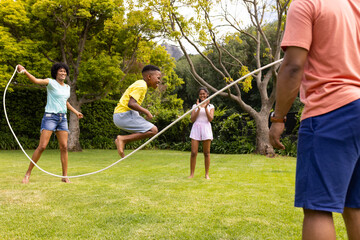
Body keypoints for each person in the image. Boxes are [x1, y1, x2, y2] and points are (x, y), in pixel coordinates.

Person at [269, 0, 360, 239]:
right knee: (356, 204)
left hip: (331, 110)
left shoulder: (307, 3)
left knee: (317, 208)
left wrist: (278, 118)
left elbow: (292, 67)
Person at [17, 63, 83, 184]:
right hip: (50, 117)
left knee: (64, 147)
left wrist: (76, 112)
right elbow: (36, 81)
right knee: (42, 146)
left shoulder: (67, 87)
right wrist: (25, 71)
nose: (63, 73)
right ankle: (27, 174)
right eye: (60, 71)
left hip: (62, 119)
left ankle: (64, 176)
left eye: (64, 71)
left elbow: (65, 102)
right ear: (56, 73)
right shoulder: (51, 83)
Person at [113, 65, 161, 158]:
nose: (159, 81)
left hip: (122, 115)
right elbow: (131, 104)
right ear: (149, 77)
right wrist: (147, 112)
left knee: (152, 130)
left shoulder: (141, 84)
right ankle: (122, 139)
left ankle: (123, 139)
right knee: (153, 130)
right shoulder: (141, 85)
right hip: (123, 115)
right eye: (158, 78)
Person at [188, 87, 214, 179]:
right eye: (200, 94)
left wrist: (205, 107)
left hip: (206, 128)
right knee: (194, 152)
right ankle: (191, 174)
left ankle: (206, 174)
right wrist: (199, 108)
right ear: (198, 95)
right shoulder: (194, 106)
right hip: (196, 128)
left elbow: (210, 119)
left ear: (207, 95)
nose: (202, 95)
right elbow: (192, 119)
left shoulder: (211, 107)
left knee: (206, 153)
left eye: (204, 94)